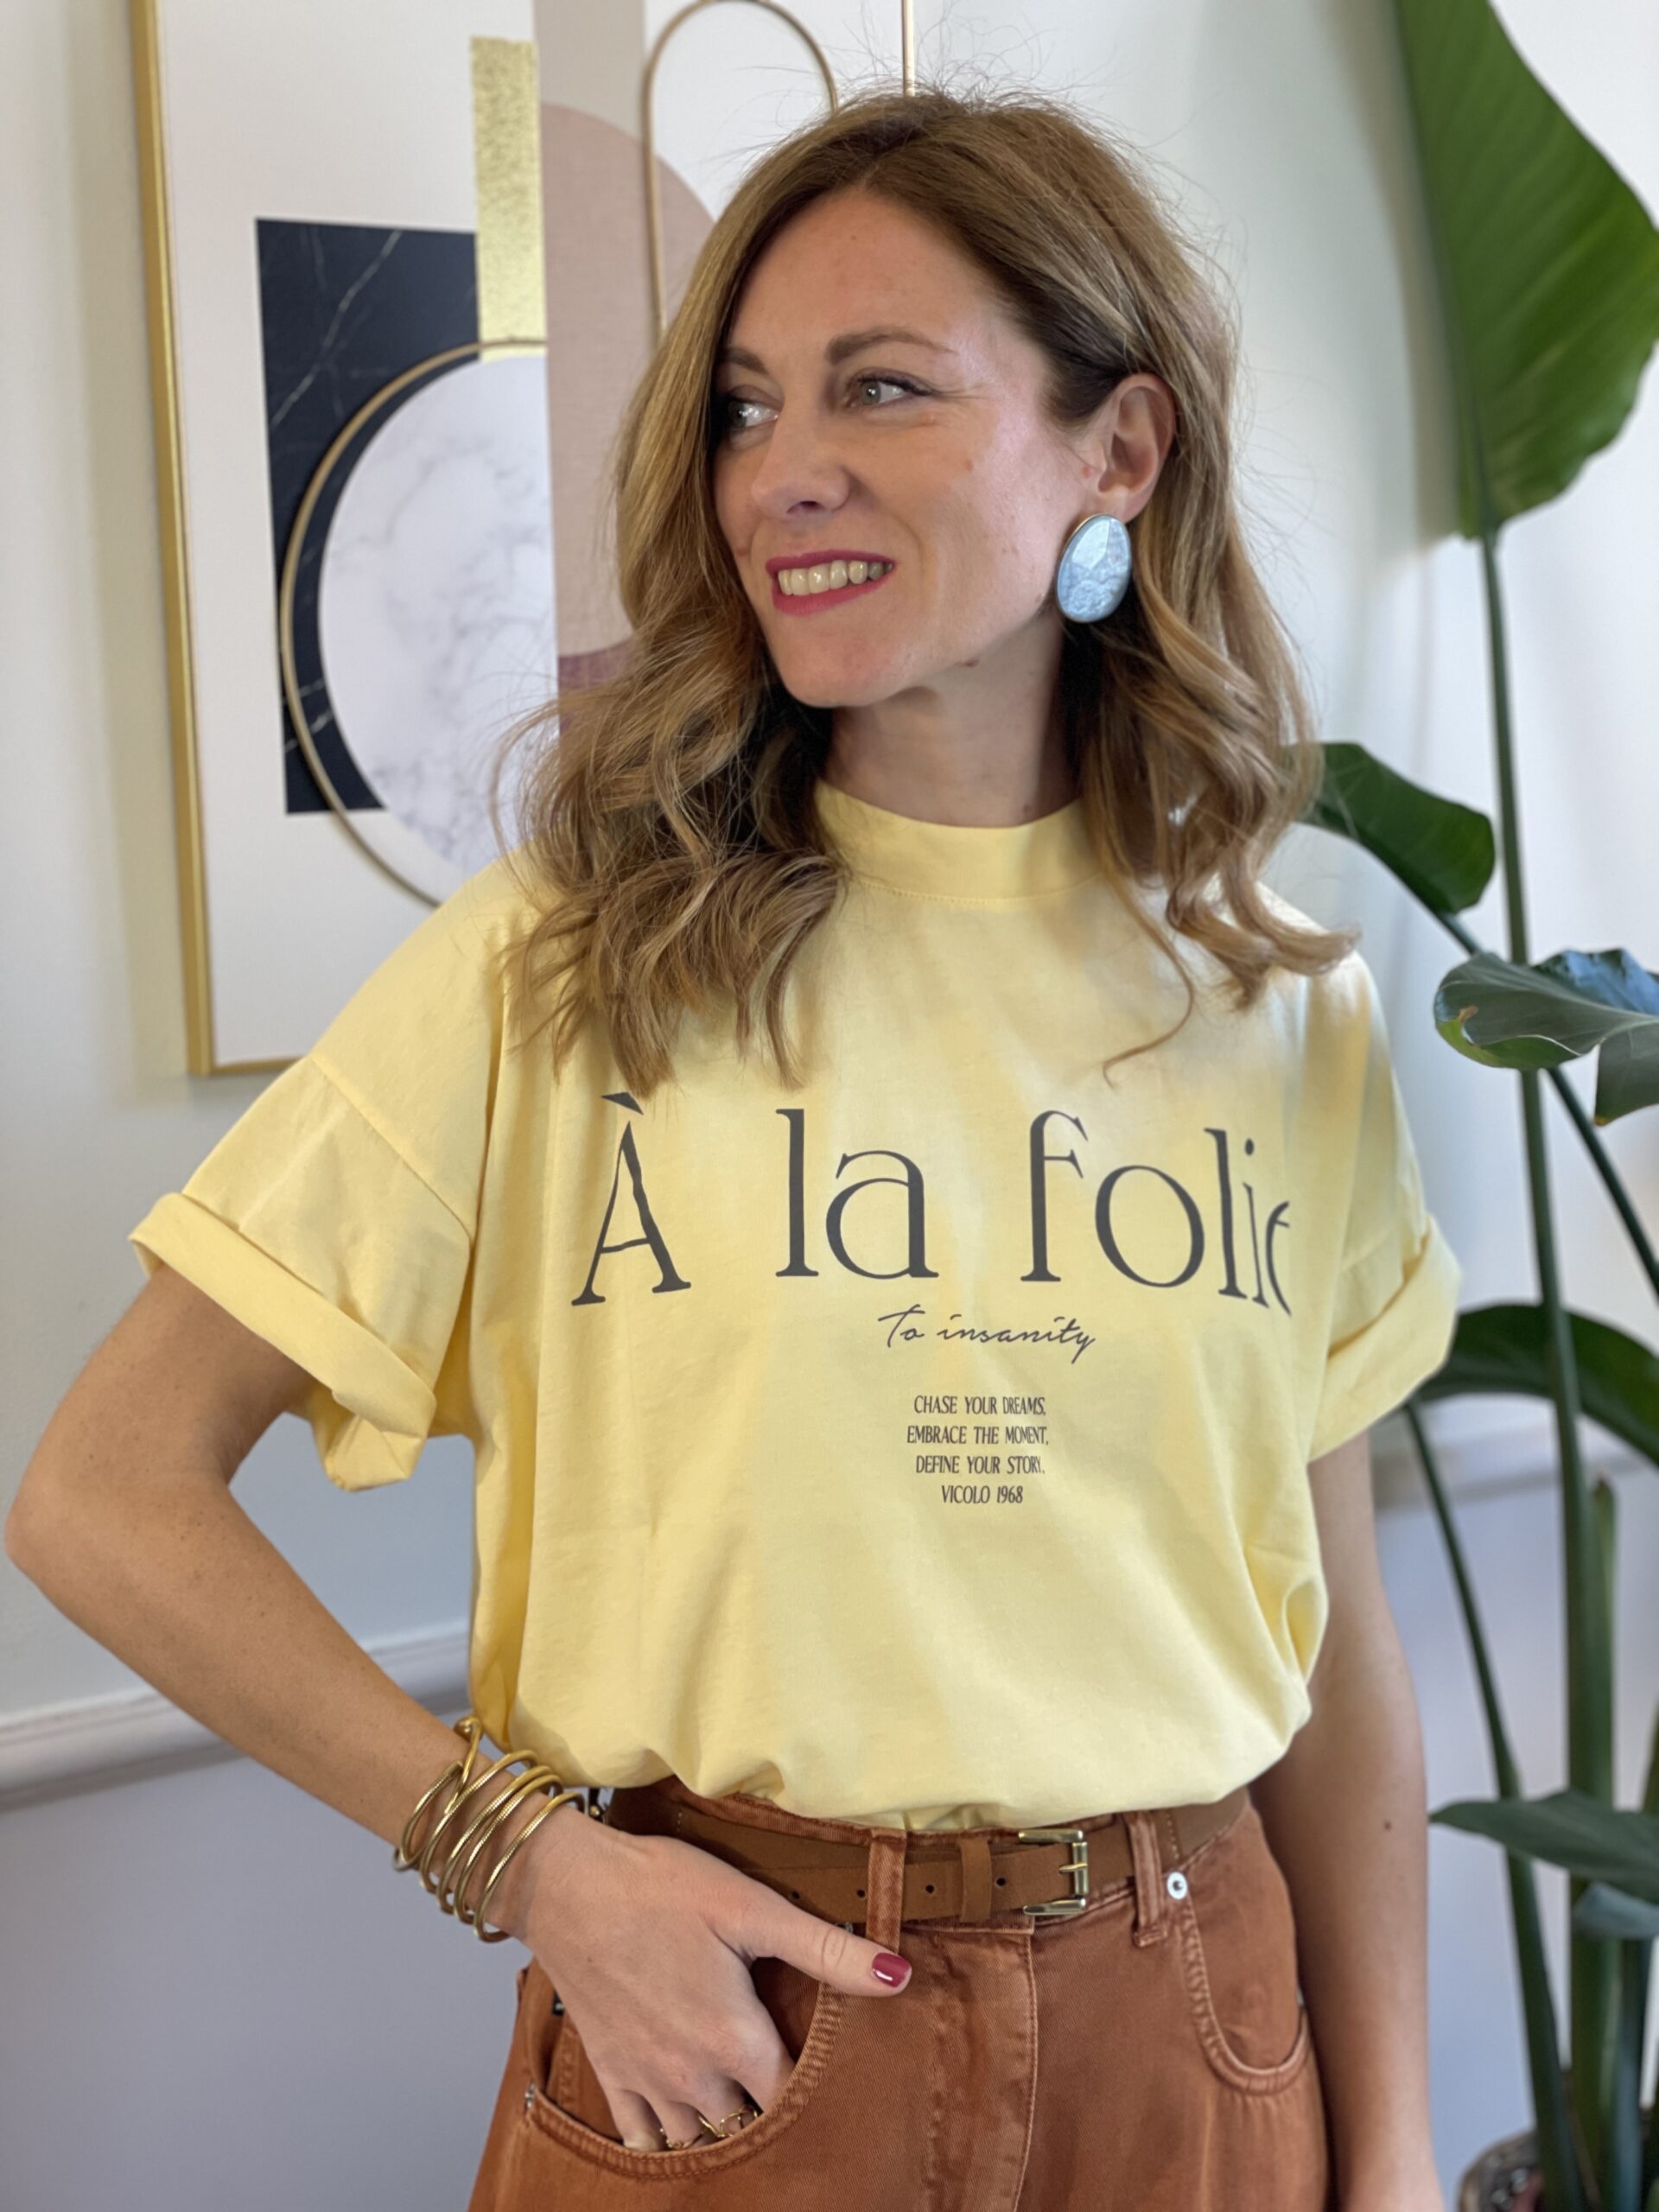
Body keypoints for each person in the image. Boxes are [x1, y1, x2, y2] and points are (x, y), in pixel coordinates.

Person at [7, 81, 1460, 2212]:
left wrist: (1397, 2148)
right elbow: (103, 1491)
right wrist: (526, 1862)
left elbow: (1336, 1654)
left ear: (1121, 449)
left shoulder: (1276, 1001)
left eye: (883, 386)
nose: (785, 472)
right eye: (748, 408)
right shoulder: (563, 963)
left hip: (1202, 2041)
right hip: (739, 2035)